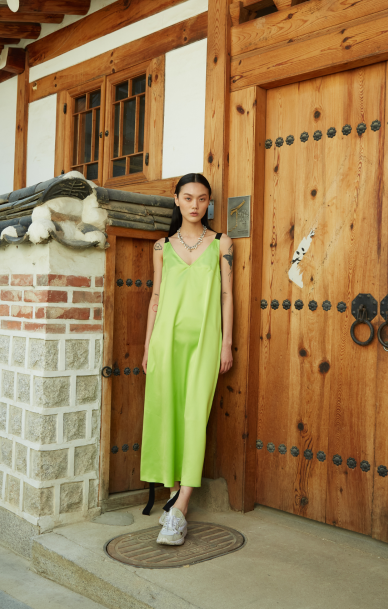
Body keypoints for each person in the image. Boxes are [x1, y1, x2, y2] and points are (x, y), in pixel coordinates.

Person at [140, 173, 234, 546]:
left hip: (205, 341)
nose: (195, 204)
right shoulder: (161, 247)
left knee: (195, 416)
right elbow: (156, 297)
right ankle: (173, 493)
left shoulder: (222, 243)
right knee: (168, 414)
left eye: (202, 198)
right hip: (166, 340)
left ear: (209, 202)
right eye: (188, 197)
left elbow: (227, 295)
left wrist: (227, 343)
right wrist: (147, 346)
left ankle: (180, 509)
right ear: (177, 200)